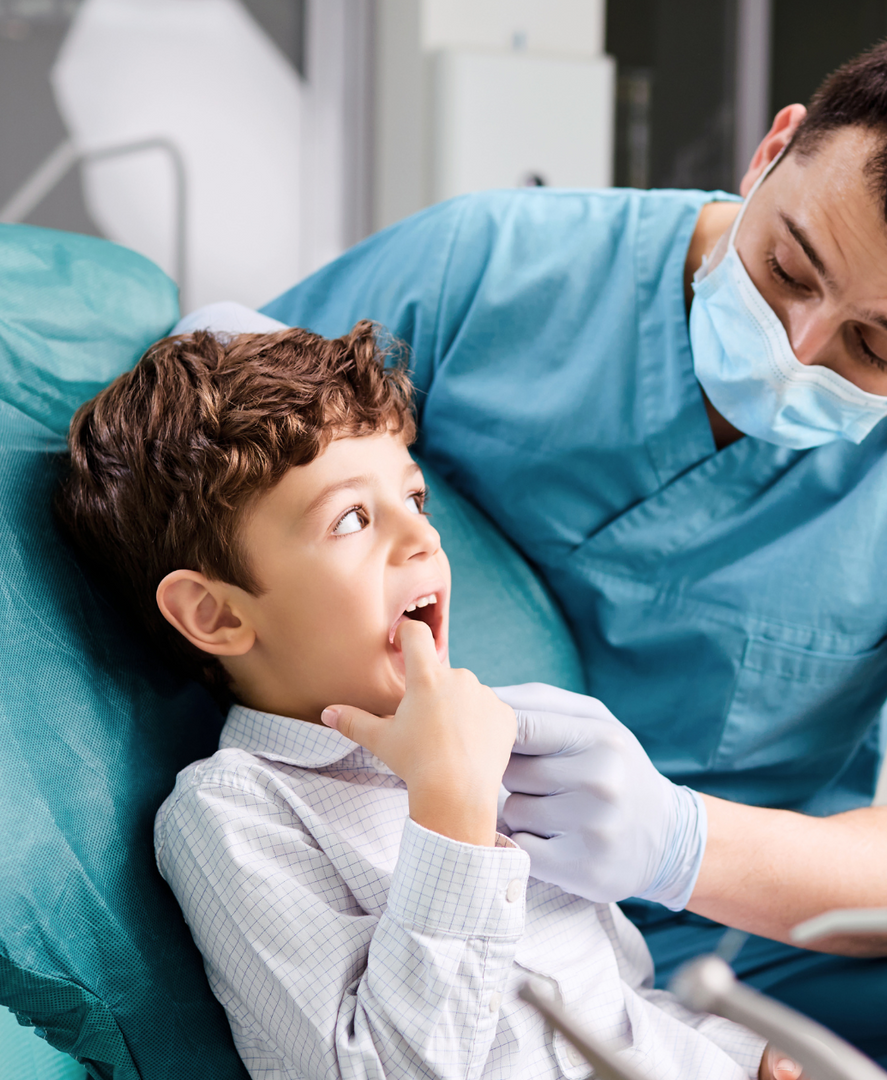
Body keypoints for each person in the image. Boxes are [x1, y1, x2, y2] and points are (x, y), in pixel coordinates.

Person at [262, 31, 887, 1078]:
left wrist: (680, 842)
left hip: (749, 943)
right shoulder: (488, 268)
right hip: (429, 888)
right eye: (789, 265)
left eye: (880, 347)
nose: (797, 345)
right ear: (771, 150)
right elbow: (225, 433)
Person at [52, 323, 802, 1079]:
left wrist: (737, 1055)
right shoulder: (234, 811)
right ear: (217, 614)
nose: (421, 537)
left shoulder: (494, 747)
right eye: (351, 518)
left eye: (414, 496)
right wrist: (452, 812)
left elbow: (614, 1002)